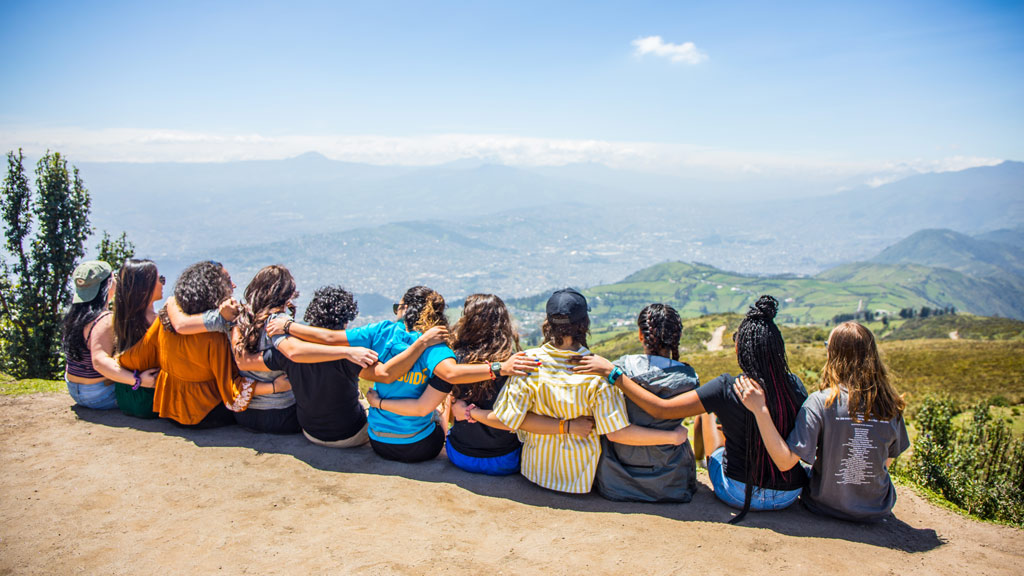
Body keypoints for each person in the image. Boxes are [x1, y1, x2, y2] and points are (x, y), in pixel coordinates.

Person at [574, 295, 806, 520]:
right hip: (789, 492)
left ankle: (700, 462)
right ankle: (699, 464)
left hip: (737, 491)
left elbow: (662, 409)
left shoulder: (726, 387)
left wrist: (613, 373)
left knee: (706, 416)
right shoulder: (795, 386)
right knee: (713, 416)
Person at [266, 286, 541, 463]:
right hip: (419, 447)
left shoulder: (381, 331)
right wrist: (499, 368)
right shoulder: (434, 345)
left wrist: (289, 326)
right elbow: (451, 374)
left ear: (404, 309)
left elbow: (328, 336)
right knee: (437, 406)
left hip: (378, 442)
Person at [484, 288, 688, 494]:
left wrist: (471, 413)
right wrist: (672, 436)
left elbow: (509, 419)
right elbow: (617, 433)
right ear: (584, 324)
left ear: (548, 323)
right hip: (580, 479)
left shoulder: (527, 363)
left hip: (535, 472)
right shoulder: (598, 373)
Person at [368, 293, 595, 475]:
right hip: (505, 461)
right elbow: (510, 421)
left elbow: (446, 406)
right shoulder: (514, 363)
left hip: (460, 455)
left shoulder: (454, 358)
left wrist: (459, 420)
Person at [734, 321, 910, 522]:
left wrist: (760, 410)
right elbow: (886, 459)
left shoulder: (821, 402)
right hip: (877, 508)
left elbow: (785, 462)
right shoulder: (890, 406)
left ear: (833, 354)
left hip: (824, 505)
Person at [238, 284, 450, 448]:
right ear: (346, 320)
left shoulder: (288, 350)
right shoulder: (352, 356)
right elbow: (384, 374)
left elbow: (248, 361)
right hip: (350, 434)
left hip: (310, 432)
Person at [118, 261, 290, 428]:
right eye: (228, 281)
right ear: (215, 290)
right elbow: (231, 386)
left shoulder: (166, 318)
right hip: (205, 414)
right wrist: (275, 387)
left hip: (169, 408)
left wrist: (131, 376)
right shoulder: (215, 336)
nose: (234, 286)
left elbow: (138, 356)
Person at [592, 303, 700, 503]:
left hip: (617, 479)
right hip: (670, 481)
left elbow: (614, 432)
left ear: (642, 335)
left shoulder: (618, 369)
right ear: (677, 337)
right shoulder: (690, 379)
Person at [61, 260, 158, 409]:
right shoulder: (103, 319)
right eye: (114, 278)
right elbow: (99, 361)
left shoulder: (74, 315)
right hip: (99, 394)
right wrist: (138, 380)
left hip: (74, 389)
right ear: (108, 284)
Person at [233, 265, 305, 434]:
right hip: (283, 414)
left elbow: (240, 359)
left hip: (245, 414)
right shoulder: (279, 322)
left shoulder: (241, 318)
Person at [102, 259, 165, 418]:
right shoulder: (158, 322)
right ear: (146, 288)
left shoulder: (120, 319)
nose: (163, 284)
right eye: (160, 279)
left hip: (126, 396)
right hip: (152, 399)